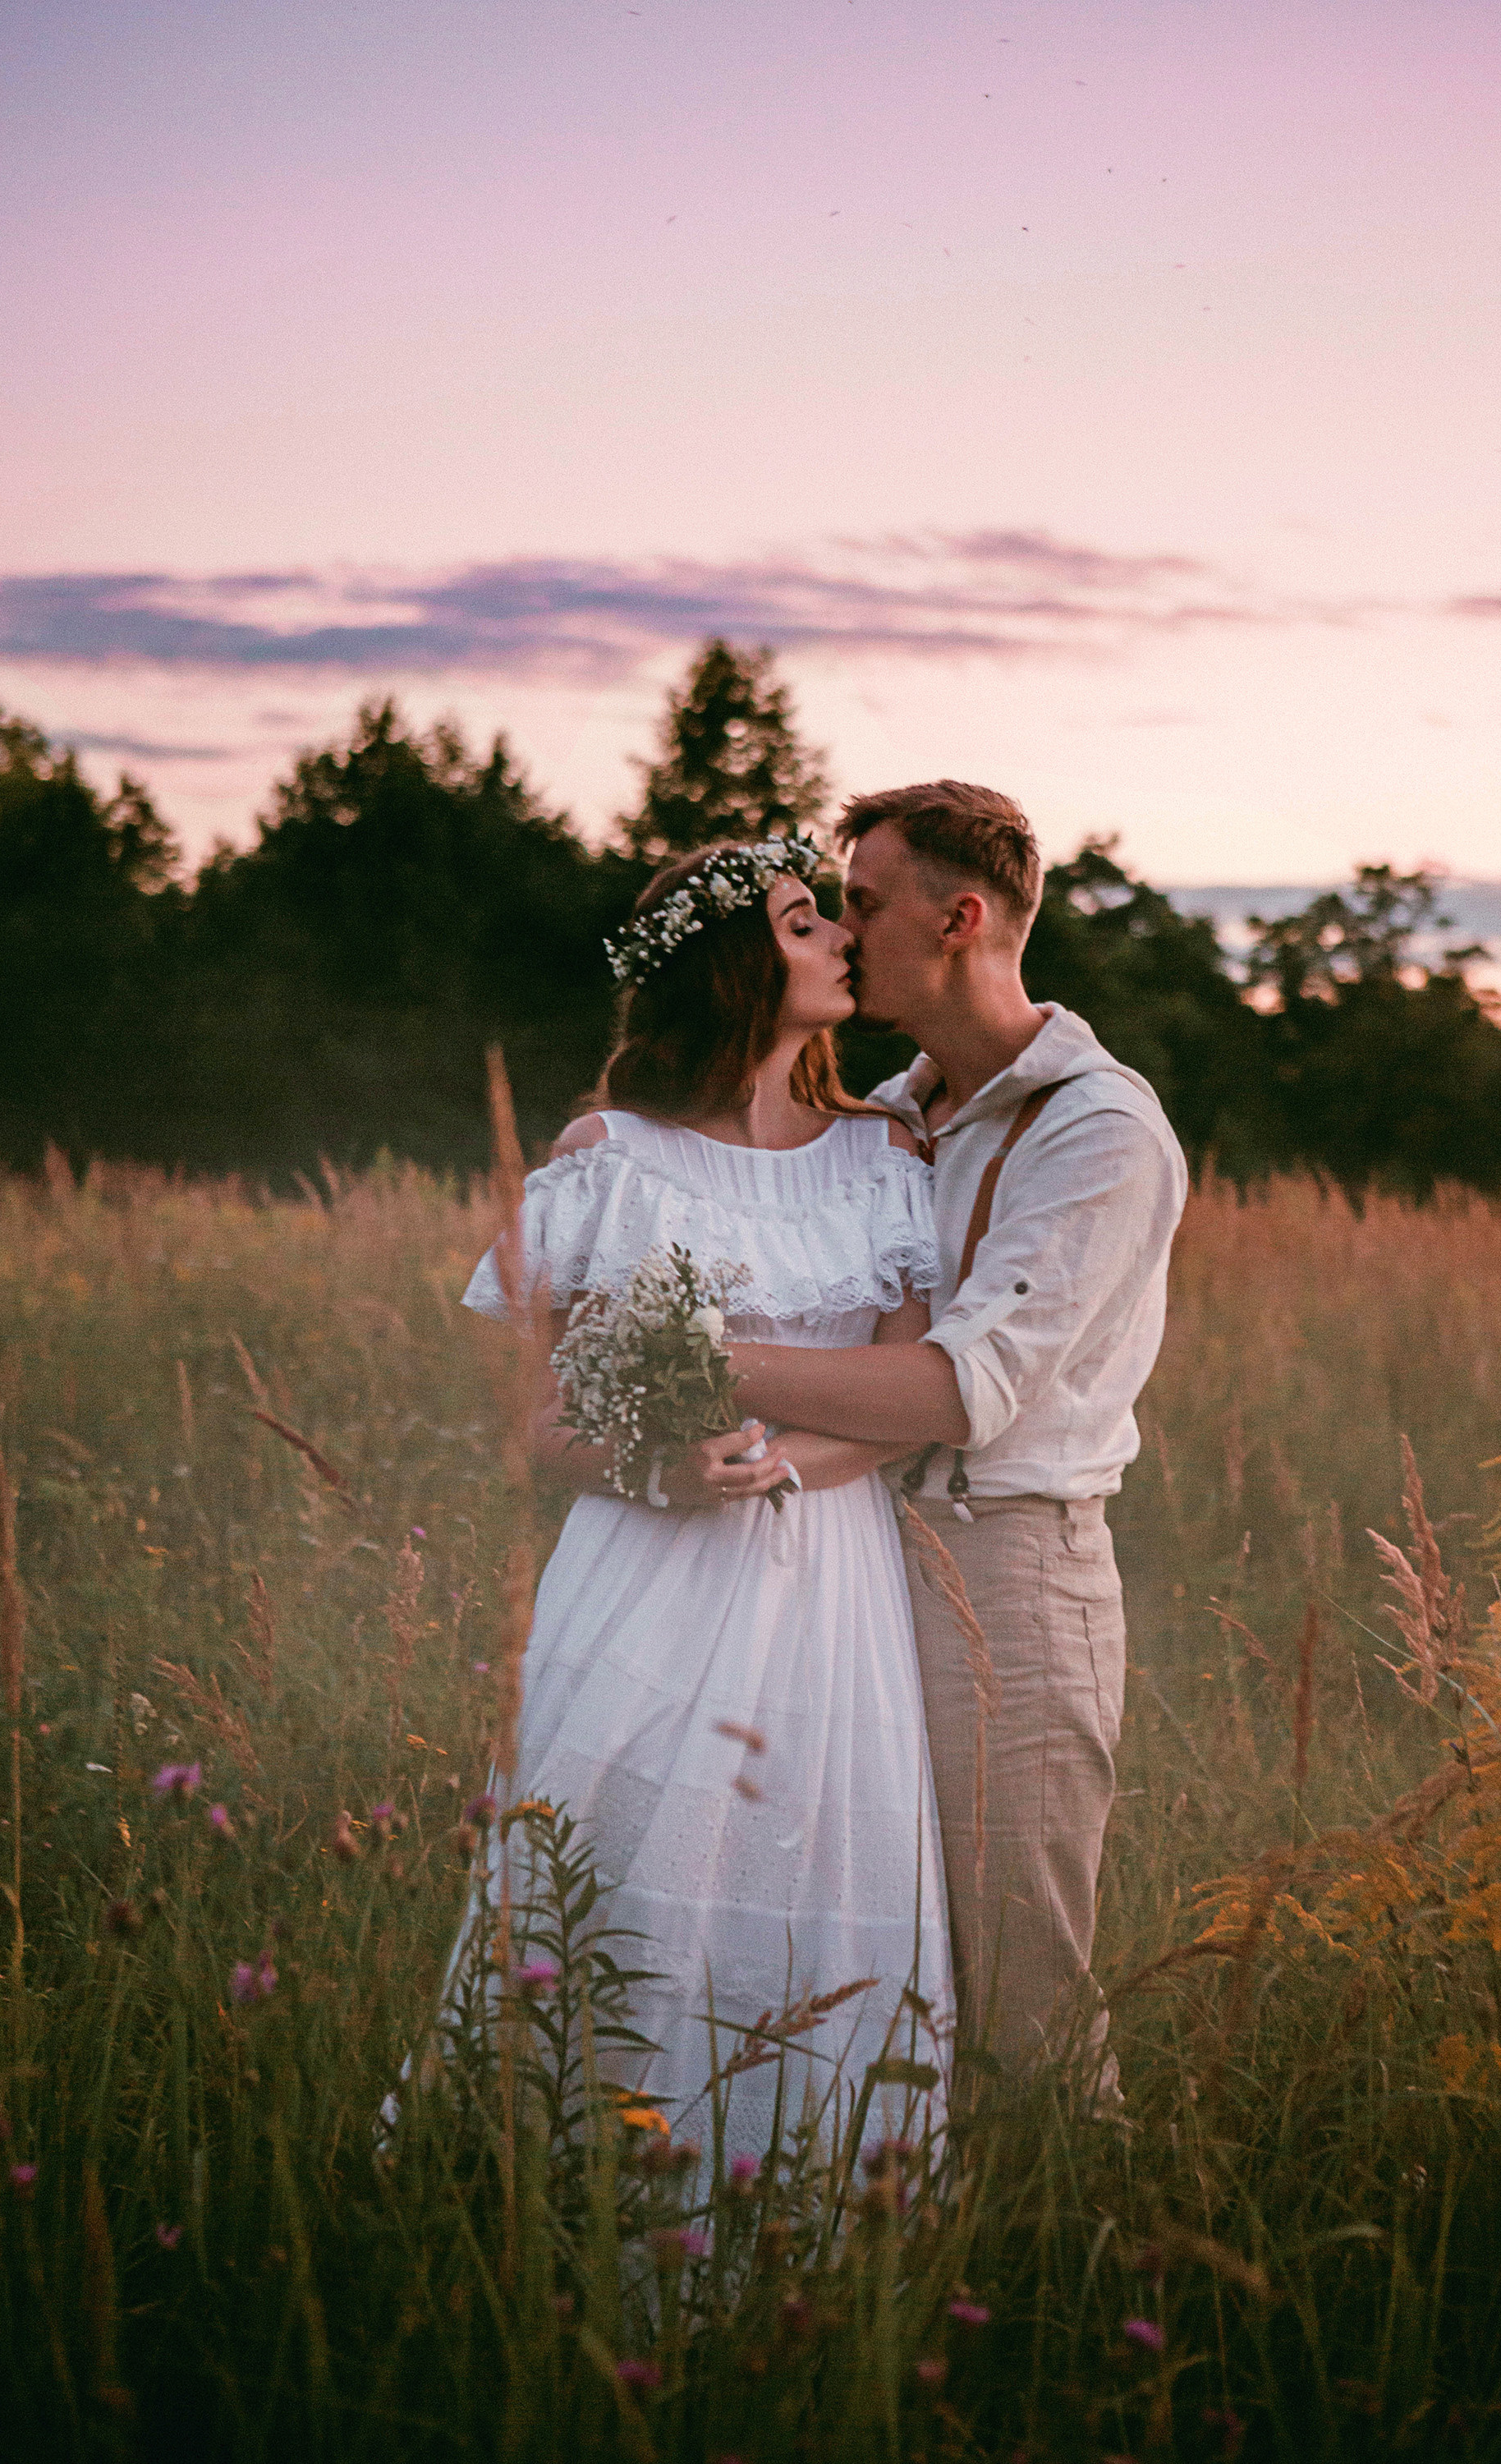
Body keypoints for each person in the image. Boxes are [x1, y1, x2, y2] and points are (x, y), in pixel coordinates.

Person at [436, 834, 953, 2157]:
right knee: (611, 1890)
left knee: (815, 1882)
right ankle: (570, 2187)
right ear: (734, 967)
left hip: (827, 1569)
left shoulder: (884, 1150)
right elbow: (547, 1429)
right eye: (801, 924)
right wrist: (666, 1469)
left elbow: (901, 1403)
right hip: (648, 1568)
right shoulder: (616, 1156)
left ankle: (797, 2206)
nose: (841, 937)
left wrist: (772, 1467)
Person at [729, 782, 1188, 2085]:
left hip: (1010, 1570)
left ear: (963, 918)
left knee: (1019, 1983)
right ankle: (913, 2249)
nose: (836, 925)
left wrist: (695, 1362)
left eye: (864, 902)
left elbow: (953, 1391)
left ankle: (1071, 2260)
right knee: (884, 1950)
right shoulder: (891, 1108)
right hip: (855, 1557)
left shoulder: (1101, 1131)